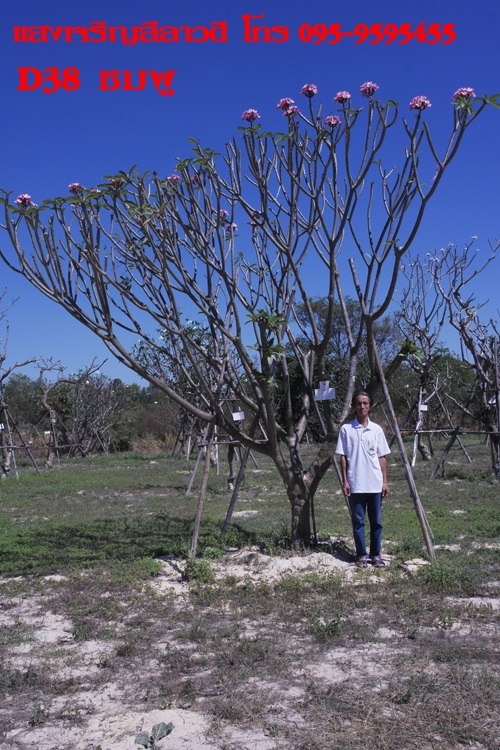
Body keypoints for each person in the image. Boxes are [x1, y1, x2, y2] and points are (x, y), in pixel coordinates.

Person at [335, 391, 390, 568]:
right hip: (356, 483)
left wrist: (384, 481)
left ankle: (376, 554)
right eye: (359, 403)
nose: (362, 406)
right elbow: (343, 456)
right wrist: (345, 481)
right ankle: (361, 555)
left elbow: (382, 457)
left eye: (365, 403)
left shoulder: (377, 430)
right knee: (358, 521)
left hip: (374, 483)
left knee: (377, 522)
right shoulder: (346, 429)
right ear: (354, 406)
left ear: (370, 406)